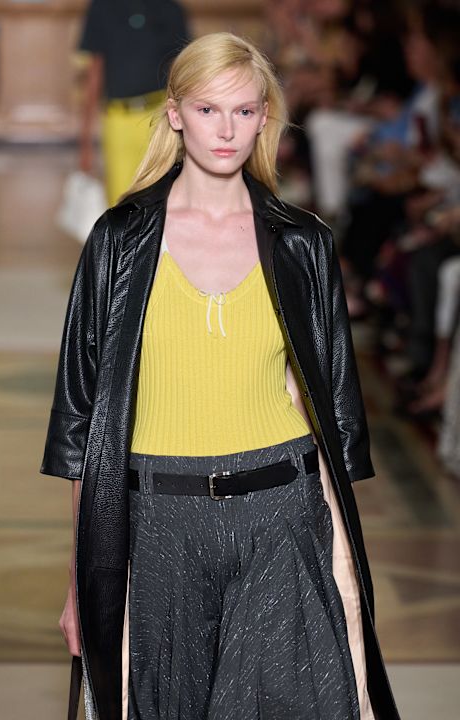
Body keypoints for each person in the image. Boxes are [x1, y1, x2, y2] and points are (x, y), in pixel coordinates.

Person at [41, 32, 399, 720]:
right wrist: (81, 583)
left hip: (281, 514)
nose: (227, 129)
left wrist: (344, 563)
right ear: (176, 114)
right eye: (208, 110)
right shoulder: (118, 242)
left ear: (265, 118)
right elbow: (84, 426)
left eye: (244, 110)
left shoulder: (302, 243)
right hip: (156, 524)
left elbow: (329, 403)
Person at [78, 0, 190, 205]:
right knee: (120, 202)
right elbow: (95, 72)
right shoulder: (102, 7)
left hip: (160, 117)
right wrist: (85, 141)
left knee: (159, 199)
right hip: (118, 118)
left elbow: (182, 68)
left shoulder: (170, 8)